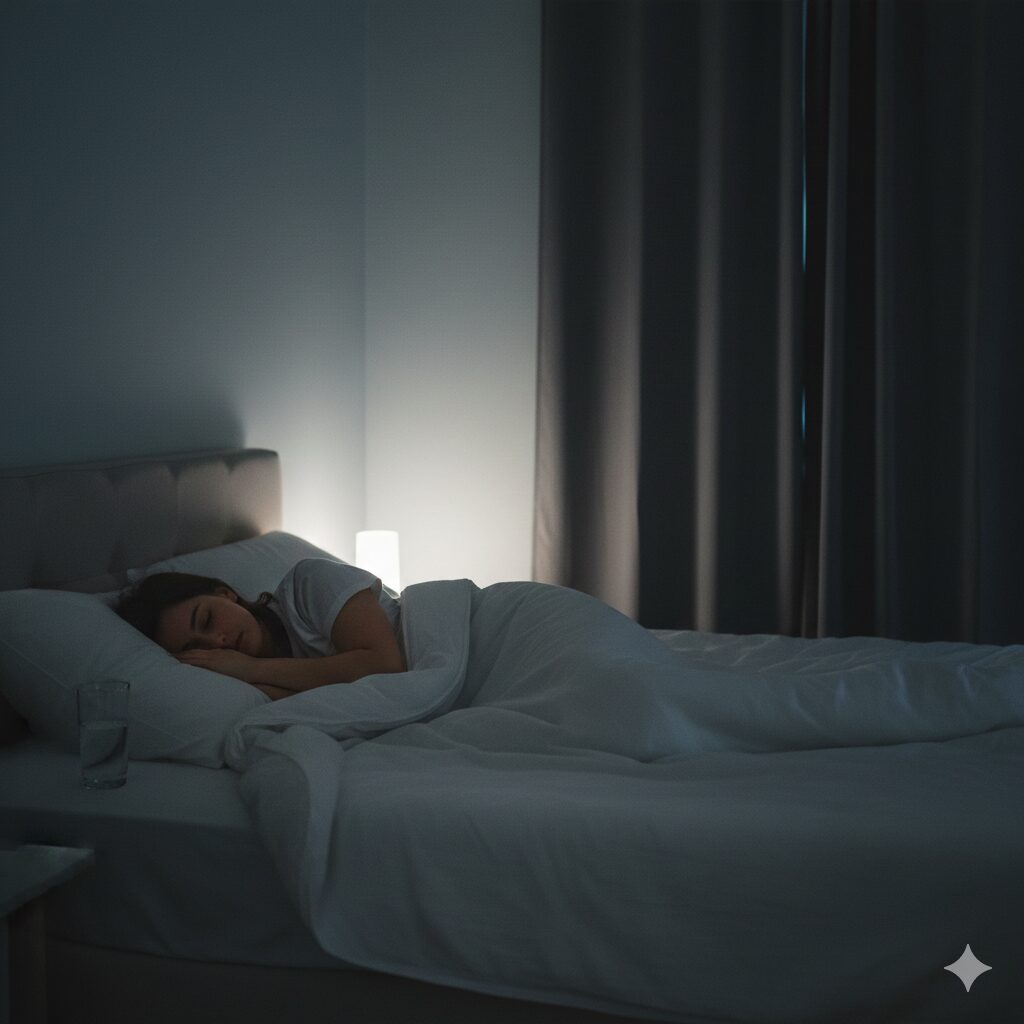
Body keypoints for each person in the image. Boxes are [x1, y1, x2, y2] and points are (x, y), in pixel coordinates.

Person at [116, 558, 406, 701]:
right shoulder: (238, 685)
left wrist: (253, 668)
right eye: (197, 648)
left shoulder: (309, 583)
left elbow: (385, 665)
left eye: (207, 620)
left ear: (225, 593)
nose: (219, 641)